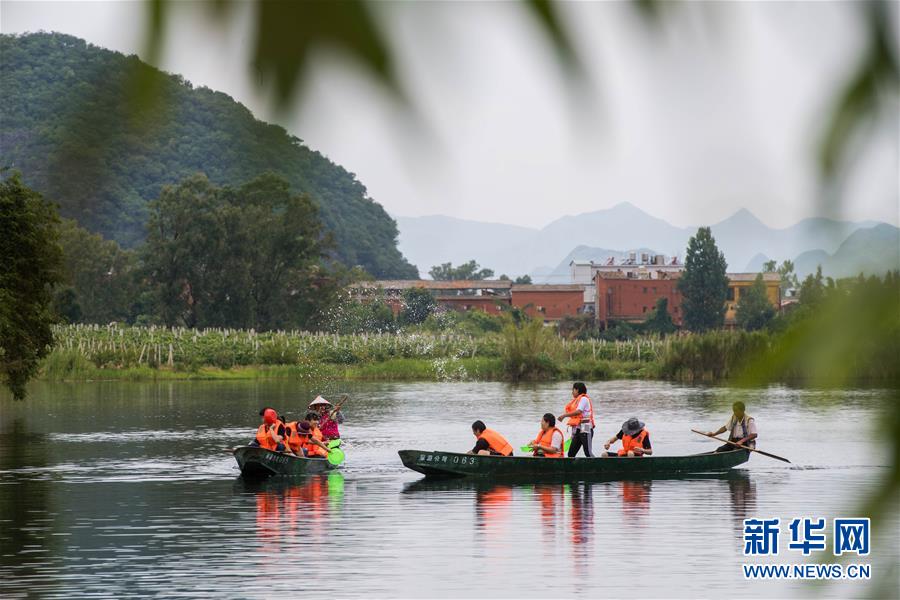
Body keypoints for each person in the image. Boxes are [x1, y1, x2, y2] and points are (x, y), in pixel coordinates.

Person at [557, 382, 594, 457]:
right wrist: (573, 435)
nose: (572, 392)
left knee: (588, 452)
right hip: (577, 429)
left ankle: (598, 467)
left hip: (585, 426)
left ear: (577, 390)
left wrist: (564, 415)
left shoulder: (584, 399)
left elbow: (579, 411)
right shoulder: (577, 400)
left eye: (573, 390)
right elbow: (576, 420)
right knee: (571, 453)